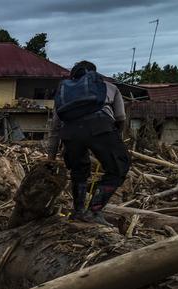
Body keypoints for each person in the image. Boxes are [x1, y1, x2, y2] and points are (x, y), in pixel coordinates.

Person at [47, 60, 131, 224]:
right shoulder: (108, 86)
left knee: (79, 171)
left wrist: (51, 156)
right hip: (100, 126)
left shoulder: (64, 93)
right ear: (94, 73)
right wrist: (114, 139)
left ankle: (78, 211)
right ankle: (94, 210)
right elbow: (120, 118)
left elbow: (56, 127)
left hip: (70, 132)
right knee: (119, 167)